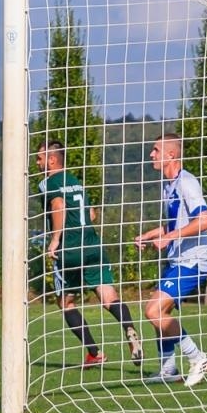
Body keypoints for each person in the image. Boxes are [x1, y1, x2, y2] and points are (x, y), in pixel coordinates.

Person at [37, 139, 143, 367]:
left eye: (39, 158)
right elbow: (92, 214)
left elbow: (58, 207)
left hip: (71, 249)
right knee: (109, 297)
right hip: (93, 245)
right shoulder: (76, 182)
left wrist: (55, 240)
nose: (37, 162)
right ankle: (130, 329)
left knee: (65, 302)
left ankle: (94, 353)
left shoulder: (49, 183)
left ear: (52, 159)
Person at [134, 133, 207, 386]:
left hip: (194, 261)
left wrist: (169, 238)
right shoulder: (169, 185)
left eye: (156, 150)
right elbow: (176, 224)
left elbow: (204, 221)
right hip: (179, 261)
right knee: (161, 312)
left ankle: (198, 357)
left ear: (171, 155)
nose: (151, 154)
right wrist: (151, 234)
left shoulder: (187, 183)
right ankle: (168, 369)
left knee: (153, 311)